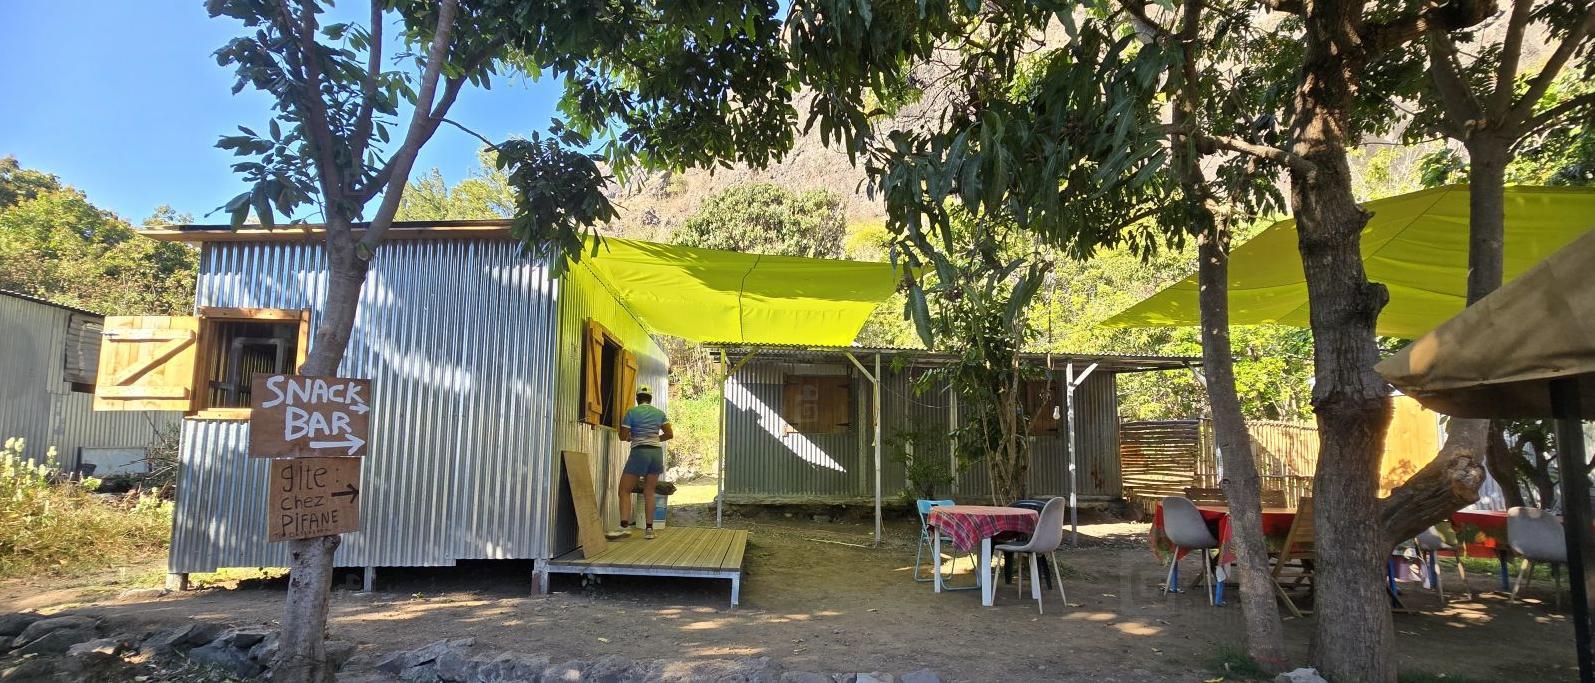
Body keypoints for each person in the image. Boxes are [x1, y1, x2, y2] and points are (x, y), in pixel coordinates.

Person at [610, 385, 672, 540]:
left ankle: (624, 526)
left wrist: (634, 437)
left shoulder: (632, 412)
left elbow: (623, 436)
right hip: (656, 454)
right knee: (649, 492)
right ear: (650, 398)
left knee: (624, 490)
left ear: (637, 399)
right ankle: (649, 530)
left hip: (639, 453)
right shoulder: (659, 413)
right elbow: (669, 434)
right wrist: (655, 439)